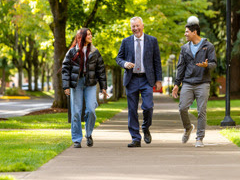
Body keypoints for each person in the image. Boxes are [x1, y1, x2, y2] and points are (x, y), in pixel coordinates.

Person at [116, 17, 162, 148]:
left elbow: (157, 61)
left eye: (137, 26)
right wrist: (125, 63)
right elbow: (118, 58)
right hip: (131, 79)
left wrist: (159, 80)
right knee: (132, 110)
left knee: (148, 107)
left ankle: (146, 127)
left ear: (142, 26)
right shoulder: (126, 41)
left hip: (147, 79)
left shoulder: (152, 41)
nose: (135, 28)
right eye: (133, 26)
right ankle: (136, 138)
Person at [172, 16, 217, 148]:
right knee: (182, 108)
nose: (185, 34)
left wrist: (206, 66)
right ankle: (188, 128)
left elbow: (214, 63)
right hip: (187, 82)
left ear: (194, 32)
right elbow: (181, 67)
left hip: (203, 82)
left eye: (187, 32)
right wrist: (176, 84)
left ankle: (199, 138)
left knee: (201, 111)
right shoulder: (185, 48)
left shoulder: (208, 46)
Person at [62, 28, 108, 148]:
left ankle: (88, 134)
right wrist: (66, 86)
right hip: (76, 84)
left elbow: (101, 70)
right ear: (81, 37)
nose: (91, 36)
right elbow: (65, 69)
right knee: (76, 112)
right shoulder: (72, 52)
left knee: (91, 110)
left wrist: (103, 87)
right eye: (88, 34)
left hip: (90, 83)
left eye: (91, 34)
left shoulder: (95, 52)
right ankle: (77, 139)